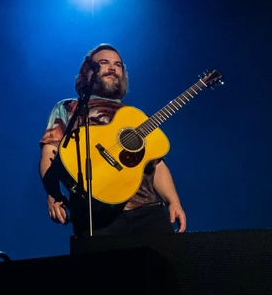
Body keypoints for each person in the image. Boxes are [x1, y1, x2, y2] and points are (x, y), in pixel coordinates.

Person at [39, 44, 186, 237]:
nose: (112, 68)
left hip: (147, 212)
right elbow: (51, 152)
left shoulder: (136, 117)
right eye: (103, 63)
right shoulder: (68, 108)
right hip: (94, 214)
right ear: (88, 71)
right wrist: (53, 193)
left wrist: (173, 201)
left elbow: (156, 165)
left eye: (118, 64)